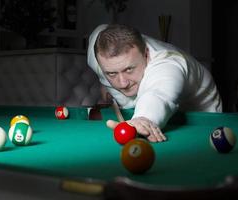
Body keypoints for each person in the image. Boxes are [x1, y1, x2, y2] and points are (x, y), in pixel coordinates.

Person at [87, 24, 222, 142]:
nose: (122, 83)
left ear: (146, 54)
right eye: (112, 73)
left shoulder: (167, 65)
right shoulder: (97, 51)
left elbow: (159, 94)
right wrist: (105, 83)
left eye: (129, 69)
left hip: (200, 110)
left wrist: (143, 118)